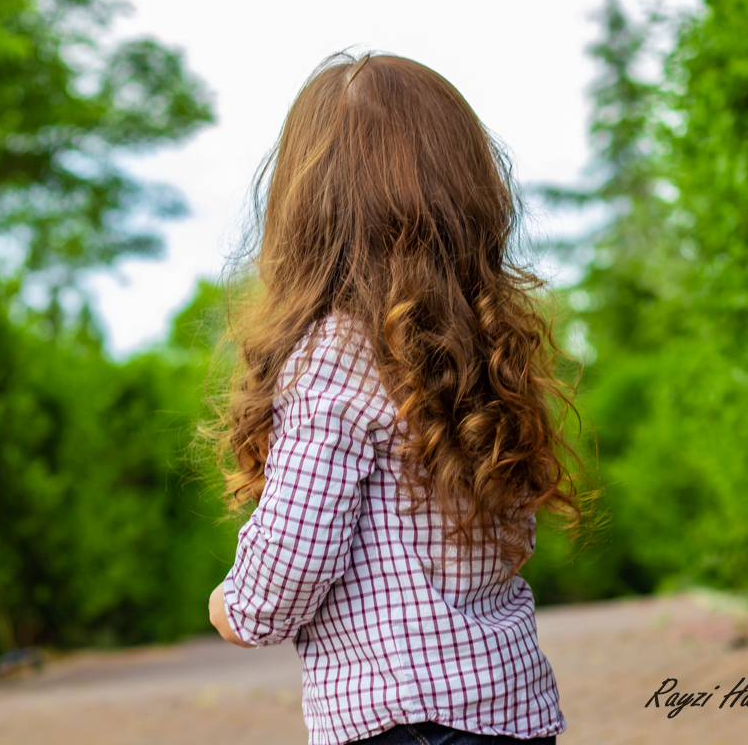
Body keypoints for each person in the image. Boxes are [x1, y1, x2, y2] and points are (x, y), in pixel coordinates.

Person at [205, 52, 580, 745]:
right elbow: (513, 537)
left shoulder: (332, 357)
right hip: (511, 707)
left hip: (400, 720)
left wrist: (236, 604)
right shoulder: (477, 349)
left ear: (304, 210)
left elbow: (294, 557)